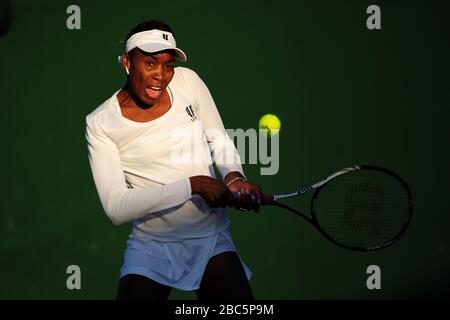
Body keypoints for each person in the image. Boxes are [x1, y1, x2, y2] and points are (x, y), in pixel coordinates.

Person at [85, 19, 263, 300]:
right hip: (151, 247)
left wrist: (234, 177)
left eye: (168, 65)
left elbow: (219, 139)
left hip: (211, 236)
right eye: (150, 63)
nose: (160, 75)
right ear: (126, 63)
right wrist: (193, 185)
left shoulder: (188, 81)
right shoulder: (100, 123)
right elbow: (116, 206)